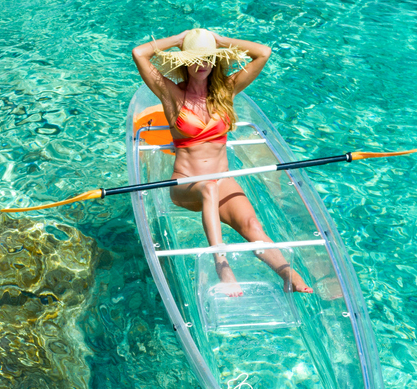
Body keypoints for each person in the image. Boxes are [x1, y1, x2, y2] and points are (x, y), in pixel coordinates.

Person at [131, 28, 314, 295]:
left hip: (222, 179)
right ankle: (221, 264)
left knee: (252, 225)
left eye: (208, 58)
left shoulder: (226, 90)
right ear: (185, 61)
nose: (202, 64)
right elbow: (139, 53)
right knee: (208, 187)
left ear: (216, 60)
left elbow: (263, 53)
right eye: (195, 58)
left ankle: (288, 274)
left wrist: (221, 42)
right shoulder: (171, 94)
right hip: (187, 184)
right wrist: (179, 40)